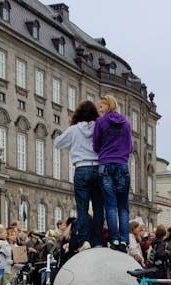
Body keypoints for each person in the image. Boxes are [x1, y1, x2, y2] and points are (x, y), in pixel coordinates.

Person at [54, 100, 102, 252]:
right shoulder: (99, 128)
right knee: (98, 208)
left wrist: (74, 143)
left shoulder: (74, 130)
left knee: (82, 208)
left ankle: (84, 241)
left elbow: (58, 143)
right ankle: (98, 240)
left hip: (81, 169)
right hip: (98, 169)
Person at [93, 95, 132, 252]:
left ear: (108, 106)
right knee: (123, 206)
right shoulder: (126, 123)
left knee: (110, 205)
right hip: (122, 165)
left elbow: (96, 145)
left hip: (105, 165)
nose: (99, 110)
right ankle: (124, 240)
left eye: (101, 107)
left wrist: (106, 151)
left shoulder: (100, 122)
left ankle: (114, 239)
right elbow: (130, 147)